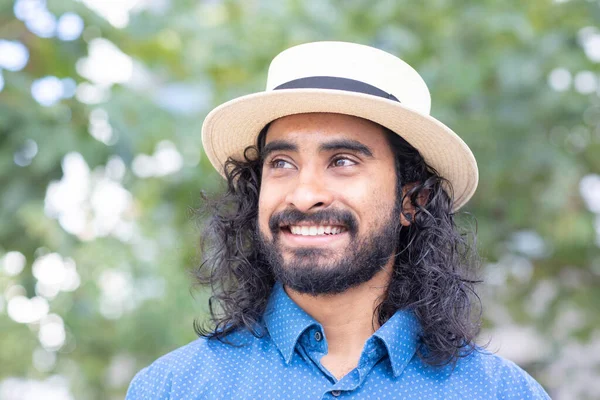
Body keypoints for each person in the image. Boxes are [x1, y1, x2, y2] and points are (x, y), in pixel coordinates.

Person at [126, 41, 550, 399]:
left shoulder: (500, 393)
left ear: (411, 200)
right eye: (282, 163)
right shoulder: (171, 389)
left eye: (342, 161)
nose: (305, 194)